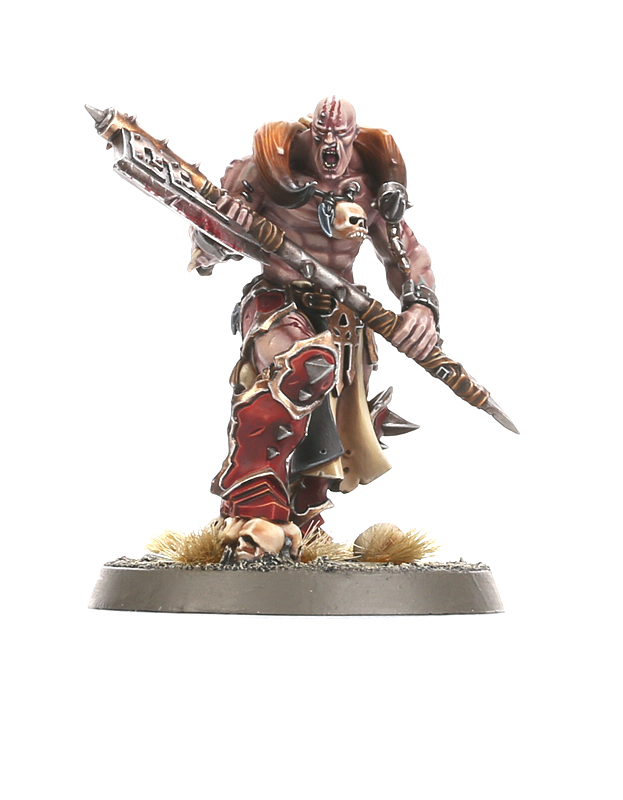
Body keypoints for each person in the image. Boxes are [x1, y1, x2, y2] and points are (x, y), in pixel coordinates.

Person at [189, 97, 441, 560]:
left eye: (340, 138)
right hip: (278, 301)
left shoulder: (370, 183)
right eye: (322, 137)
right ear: (310, 133)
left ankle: (304, 525)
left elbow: (406, 255)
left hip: (345, 314)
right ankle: (252, 509)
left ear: (353, 136)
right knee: (305, 365)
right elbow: (205, 251)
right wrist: (223, 230)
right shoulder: (264, 171)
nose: (331, 148)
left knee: (337, 425)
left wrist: (421, 307)